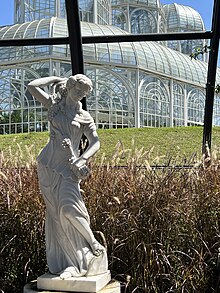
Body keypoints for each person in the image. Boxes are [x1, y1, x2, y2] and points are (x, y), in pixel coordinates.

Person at [28, 74, 108, 279]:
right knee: (56, 216)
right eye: (78, 90)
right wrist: (55, 78)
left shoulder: (84, 117)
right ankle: (70, 264)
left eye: (85, 93)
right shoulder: (54, 104)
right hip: (47, 164)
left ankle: (91, 244)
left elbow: (96, 142)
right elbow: (31, 86)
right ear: (70, 86)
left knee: (69, 208)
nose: (81, 95)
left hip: (68, 168)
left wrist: (83, 159)